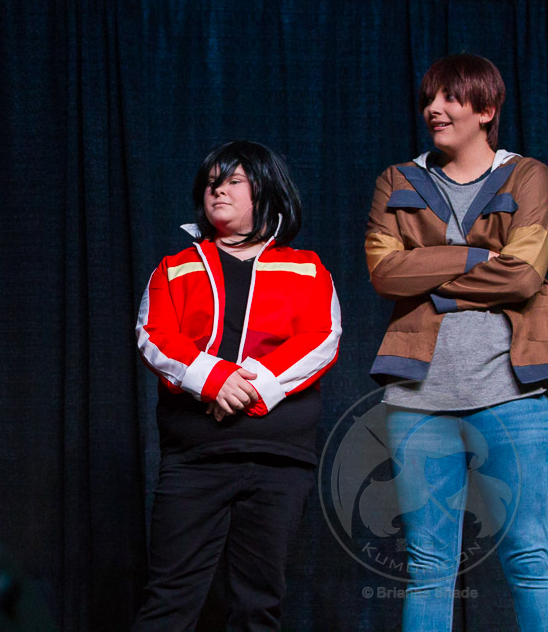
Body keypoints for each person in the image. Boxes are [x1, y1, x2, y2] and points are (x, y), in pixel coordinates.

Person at [365, 53, 548, 630]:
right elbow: (384, 273)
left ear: (486, 109)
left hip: (513, 393)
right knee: (427, 565)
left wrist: (429, 271)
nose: (434, 109)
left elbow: (524, 275)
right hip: (417, 397)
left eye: (449, 98)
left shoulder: (528, 176)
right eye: (429, 99)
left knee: (530, 556)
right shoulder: (397, 180)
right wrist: (476, 258)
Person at [133, 140, 341, 631]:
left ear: (265, 191)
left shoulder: (307, 267)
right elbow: (153, 333)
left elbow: (322, 336)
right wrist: (214, 379)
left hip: (278, 460)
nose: (218, 190)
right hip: (195, 458)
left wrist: (250, 387)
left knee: (257, 606)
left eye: (233, 181)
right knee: (169, 602)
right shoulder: (174, 267)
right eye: (211, 182)